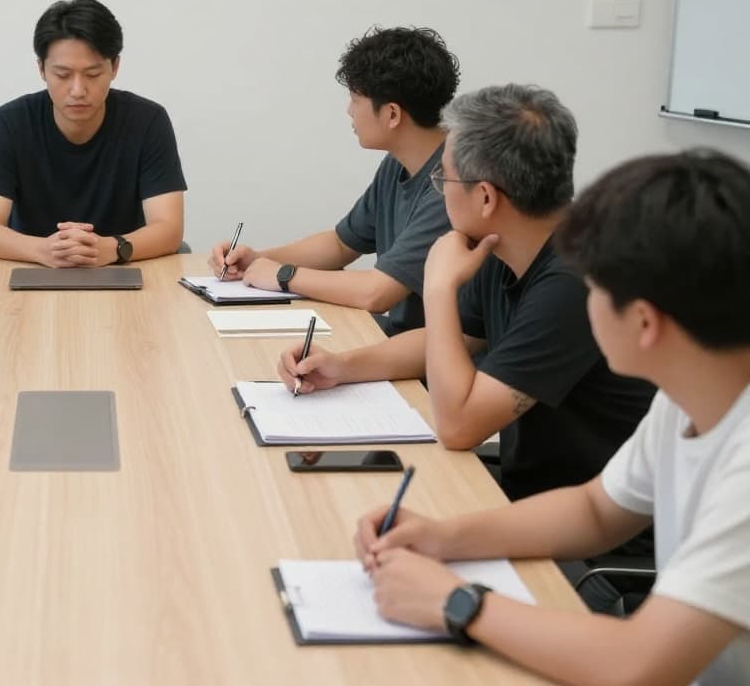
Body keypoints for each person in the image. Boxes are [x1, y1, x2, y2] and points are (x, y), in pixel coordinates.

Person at [352, 150, 750, 686]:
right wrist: (442, 538)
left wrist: (455, 602)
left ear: (644, 322)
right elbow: (596, 510)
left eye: (596, 289)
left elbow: (638, 664)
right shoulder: (690, 393)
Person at [279, 85, 655, 502]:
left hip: (584, 535)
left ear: (486, 196)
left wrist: (438, 287)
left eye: (443, 176)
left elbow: (459, 428)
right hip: (533, 494)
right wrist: (340, 367)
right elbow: (451, 341)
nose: (438, 188)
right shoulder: (506, 243)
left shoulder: (574, 283)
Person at [211, 26, 458, 335]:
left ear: (392, 114)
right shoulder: (397, 163)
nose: (348, 110)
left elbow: (378, 293)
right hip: (397, 341)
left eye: (355, 99)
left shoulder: (454, 184)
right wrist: (258, 258)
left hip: (430, 364)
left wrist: (283, 274)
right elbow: (342, 243)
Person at [0, 0, 187, 267]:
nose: (78, 90)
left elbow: (169, 228)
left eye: (93, 74)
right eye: (62, 75)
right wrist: (44, 251)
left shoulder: (148, 121)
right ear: (41, 69)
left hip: (121, 270)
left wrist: (112, 248)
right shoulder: (9, 124)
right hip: (31, 268)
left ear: (115, 67)